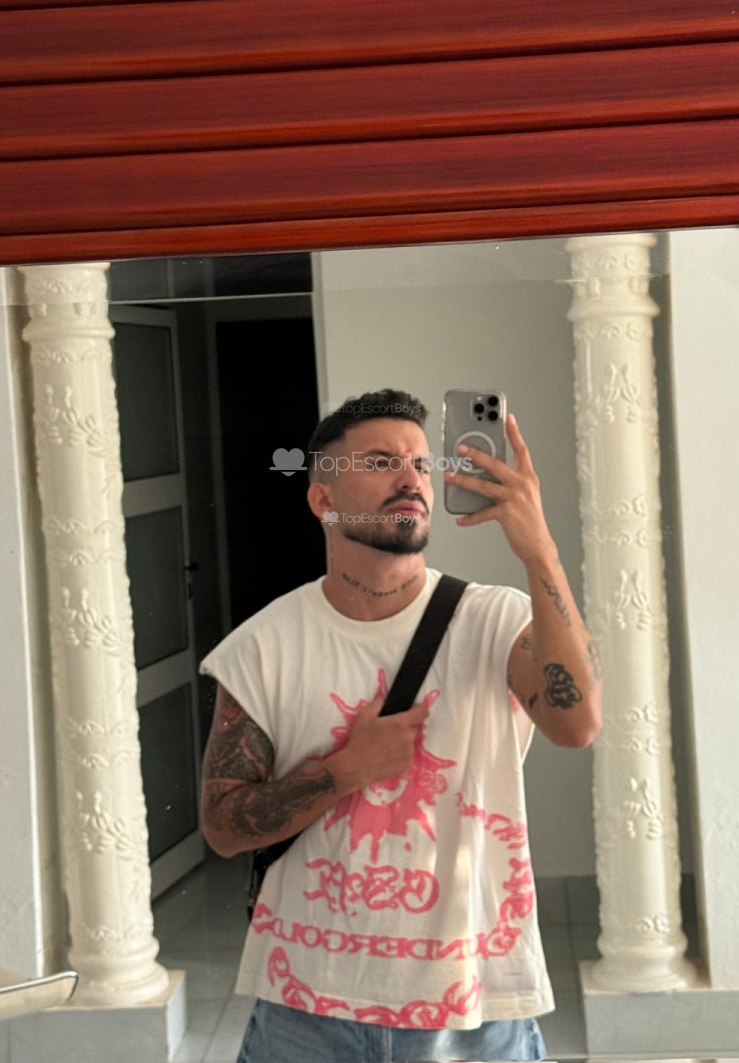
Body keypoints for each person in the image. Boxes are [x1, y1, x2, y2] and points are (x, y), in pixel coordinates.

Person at [198, 389, 603, 1063]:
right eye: (383, 462)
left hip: (473, 1008)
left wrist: (539, 551)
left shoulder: (495, 621)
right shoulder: (263, 646)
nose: (411, 478)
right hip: (307, 1006)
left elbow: (578, 724)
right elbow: (223, 825)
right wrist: (343, 772)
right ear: (324, 500)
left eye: (420, 463)